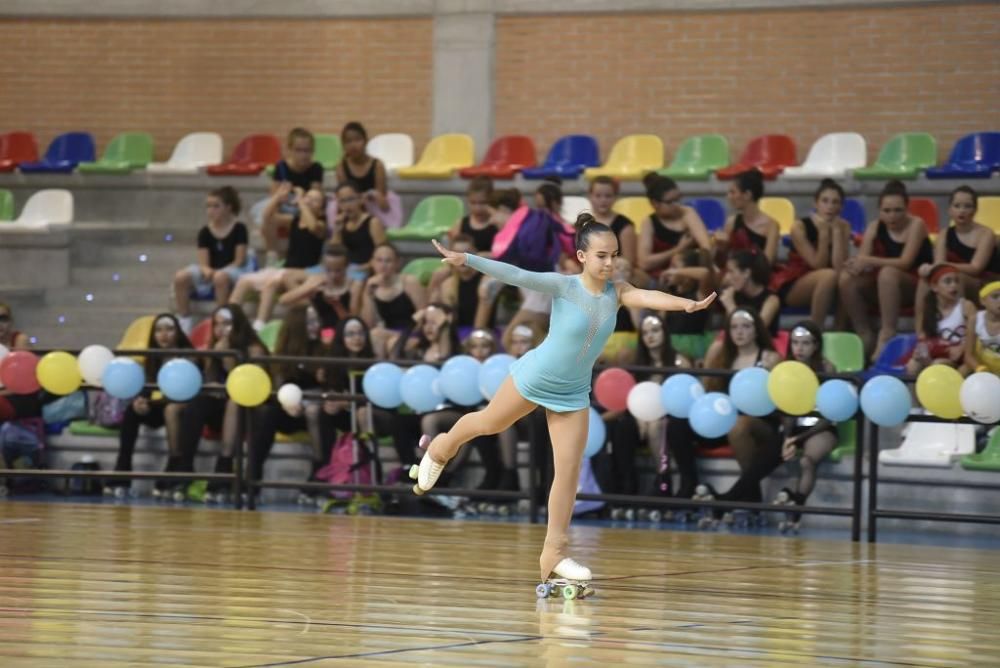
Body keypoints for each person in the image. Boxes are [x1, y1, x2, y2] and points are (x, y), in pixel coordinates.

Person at [420, 214, 716, 587]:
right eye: (602, 256)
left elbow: (648, 296)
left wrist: (685, 304)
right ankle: (441, 450)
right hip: (536, 376)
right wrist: (469, 260)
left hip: (573, 392)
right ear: (581, 256)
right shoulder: (564, 287)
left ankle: (553, 554)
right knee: (488, 423)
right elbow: (516, 274)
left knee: (569, 471)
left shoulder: (619, 292)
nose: (610, 263)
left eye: (614, 256)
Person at [838, 180, 933, 360]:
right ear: (879, 211)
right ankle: (863, 333)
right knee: (846, 279)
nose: (892, 216)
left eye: (898, 210)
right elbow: (862, 261)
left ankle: (887, 332)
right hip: (884, 284)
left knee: (887, 273)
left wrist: (868, 260)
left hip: (916, 285)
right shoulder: (875, 226)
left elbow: (905, 262)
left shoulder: (916, 225)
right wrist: (853, 265)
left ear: (907, 209)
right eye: (887, 211)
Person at [103, 314, 196, 498]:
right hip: (158, 406)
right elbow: (147, 387)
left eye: (169, 330)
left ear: (178, 332)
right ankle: (122, 471)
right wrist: (141, 401)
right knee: (132, 411)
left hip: (182, 408)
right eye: (159, 330)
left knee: (172, 410)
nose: (164, 335)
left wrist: (154, 401)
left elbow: (183, 392)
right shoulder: (151, 357)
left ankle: (175, 466)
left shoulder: (189, 357)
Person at [231, 184, 327, 330]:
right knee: (245, 281)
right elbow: (267, 218)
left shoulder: (321, 225)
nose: (309, 201)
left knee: (274, 283)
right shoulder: (293, 220)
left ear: (321, 210)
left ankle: (259, 327)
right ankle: (230, 320)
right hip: (286, 269)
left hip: (307, 271)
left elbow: (312, 227)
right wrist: (277, 197)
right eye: (308, 197)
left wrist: (301, 201)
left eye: (315, 200)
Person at [775, 321, 839, 530]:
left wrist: (798, 439)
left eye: (805, 343)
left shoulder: (827, 368)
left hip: (821, 426)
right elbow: (785, 409)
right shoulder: (785, 370)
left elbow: (831, 413)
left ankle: (796, 508)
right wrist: (787, 437)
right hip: (794, 427)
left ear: (816, 345)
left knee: (807, 462)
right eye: (795, 343)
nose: (799, 348)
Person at [771, 179, 851, 326]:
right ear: (816, 203)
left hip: (831, 282)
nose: (830, 207)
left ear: (841, 207)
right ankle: (815, 331)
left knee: (847, 280)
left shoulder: (843, 227)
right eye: (825, 201)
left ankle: (840, 331)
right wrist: (824, 234)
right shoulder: (799, 227)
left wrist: (838, 233)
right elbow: (818, 264)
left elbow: (840, 268)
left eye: (835, 202)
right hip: (797, 281)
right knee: (829, 275)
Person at [916, 186, 1000, 321]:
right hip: (955, 278)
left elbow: (975, 268)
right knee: (926, 279)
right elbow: (939, 268)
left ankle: (957, 329)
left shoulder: (986, 234)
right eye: (957, 206)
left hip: (984, 284)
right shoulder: (944, 234)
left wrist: (944, 265)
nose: (962, 210)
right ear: (950, 209)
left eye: (967, 206)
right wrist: (926, 269)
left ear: (975, 210)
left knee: (956, 277)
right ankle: (922, 330)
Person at [173, 187, 250, 331]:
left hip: (234, 270)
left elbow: (239, 260)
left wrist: (219, 273)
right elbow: (203, 262)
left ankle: (222, 318)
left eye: (216, 206)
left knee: (220, 278)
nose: (211, 210)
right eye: (208, 206)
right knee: (181, 277)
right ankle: (184, 318)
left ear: (228, 207)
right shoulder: (205, 232)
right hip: (212, 270)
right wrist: (207, 270)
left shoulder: (239, 229)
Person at [261, 127, 324, 257]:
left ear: (312, 151)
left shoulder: (316, 168)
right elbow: (273, 198)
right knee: (268, 220)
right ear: (289, 150)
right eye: (298, 150)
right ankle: (272, 257)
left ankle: (297, 255)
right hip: (287, 209)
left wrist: (301, 198)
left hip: (305, 210)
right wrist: (280, 195)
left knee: (305, 222)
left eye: (307, 151)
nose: (303, 155)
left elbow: (316, 199)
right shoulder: (281, 167)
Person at [637, 176, 712, 281]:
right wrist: (678, 249)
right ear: (655, 204)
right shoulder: (649, 223)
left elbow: (706, 249)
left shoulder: (688, 213)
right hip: (660, 277)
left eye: (678, 199)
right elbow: (644, 263)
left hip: (688, 273)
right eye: (670, 202)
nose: (676, 205)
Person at [358, 243, 427, 358]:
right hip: (387, 333)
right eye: (379, 260)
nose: (383, 265)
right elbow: (368, 324)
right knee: (375, 336)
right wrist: (368, 295)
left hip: (413, 333)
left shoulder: (409, 282)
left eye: (388, 261)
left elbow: (424, 317)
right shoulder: (370, 286)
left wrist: (401, 335)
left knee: (391, 342)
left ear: (397, 263)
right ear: (372, 263)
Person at [906, 264, 976, 376]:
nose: (954, 285)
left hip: (961, 355)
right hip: (938, 353)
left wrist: (962, 347)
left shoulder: (966, 306)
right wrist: (922, 354)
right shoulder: (929, 310)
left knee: (937, 364)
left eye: (956, 281)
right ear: (934, 287)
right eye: (948, 281)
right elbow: (923, 338)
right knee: (912, 366)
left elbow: (976, 335)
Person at [278, 244, 358, 331]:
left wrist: (337, 305)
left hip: (340, 332)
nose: (333, 275)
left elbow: (352, 323)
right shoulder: (315, 280)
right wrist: (309, 288)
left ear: (346, 268)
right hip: (316, 328)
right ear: (322, 266)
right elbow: (283, 301)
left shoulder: (352, 285)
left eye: (338, 270)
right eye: (328, 270)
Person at [715, 170, 780, 266]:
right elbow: (721, 263)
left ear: (747, 195)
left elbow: (766, 264)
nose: (728, 196)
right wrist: (720, 249)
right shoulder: (731, 222)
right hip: (735, 275)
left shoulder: (771, 225)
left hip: (758, 277)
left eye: (732, 192)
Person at [330, 181, 387, 283]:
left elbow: (383, 255)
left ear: (360, 199)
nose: (347, 205)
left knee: (353, 280)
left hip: (366, 269)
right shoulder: (341, 222)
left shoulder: (373, 222)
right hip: (346, 270)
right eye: (342, 201)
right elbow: (334, 252)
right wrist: (337, 230)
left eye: (350, 199)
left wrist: (363, 267)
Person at [720, 250, 781, 336]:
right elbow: (730, 333)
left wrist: (731, 306)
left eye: (731, 272)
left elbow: (755, 331)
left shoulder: (771, 299)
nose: (727, 278)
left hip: (763, 346)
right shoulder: (734, 295)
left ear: (746, 273)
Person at [336, 121, 390, 215]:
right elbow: (344, 195)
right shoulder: (341, 167)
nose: (353, 145)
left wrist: (370, 196)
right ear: (343, 145)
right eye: (348, 141)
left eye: (357, 140)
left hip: (375, 209)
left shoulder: (377, 165)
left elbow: (381, 195)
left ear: (366, 141)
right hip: (351, 210)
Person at [965, 281, 1000, 374]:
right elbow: (968, 355)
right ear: (983, 301)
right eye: (995, 297)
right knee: (963, 370)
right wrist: (979, 368)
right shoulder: (975, 320)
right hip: (981, 366)